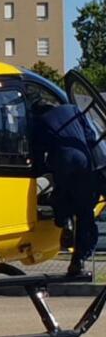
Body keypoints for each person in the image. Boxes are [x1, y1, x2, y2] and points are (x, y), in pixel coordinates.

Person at [31, 100, 101, 279]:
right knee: (85, 211)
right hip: (84, 159)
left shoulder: (39, 121)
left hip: (61, 161)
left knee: (62, 193)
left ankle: (65, 221)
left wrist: (38, 172)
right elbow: (91, 135)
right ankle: (79, 260)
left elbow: (37, 152)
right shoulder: (72, 109)